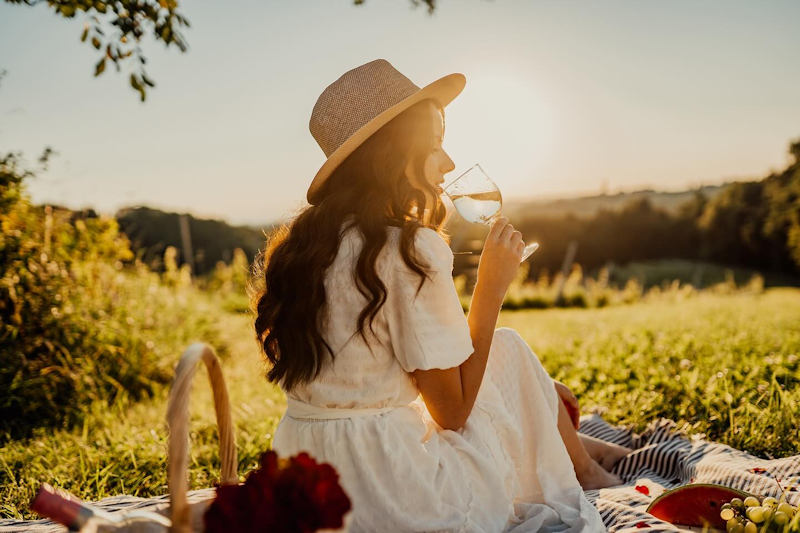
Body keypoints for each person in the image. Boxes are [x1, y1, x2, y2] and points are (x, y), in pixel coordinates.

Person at [253, 59, 630, 532]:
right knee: (507, 352)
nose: (449, 163)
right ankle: (584, 464)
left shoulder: (303, 249)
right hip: (392, 493)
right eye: (434, 146)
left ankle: (581, 453)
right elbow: (451, 413)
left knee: (512, 371)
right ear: (391, 153)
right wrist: (490, 288)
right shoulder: (409, 247)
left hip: (308, 479)